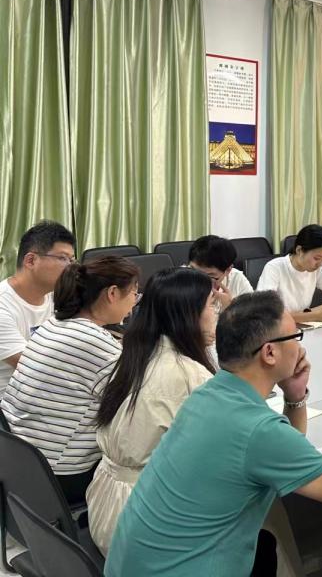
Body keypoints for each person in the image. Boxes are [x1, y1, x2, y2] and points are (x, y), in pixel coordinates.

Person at [104, 291, 322, 577]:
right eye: (295, 336)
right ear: (269, 353)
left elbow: (286, 452)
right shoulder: (256, 429)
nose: (300, 346)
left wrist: (294, 397)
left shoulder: (208, 395)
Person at [86, 268, 218, 553]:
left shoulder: (132, 355)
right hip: (145, 524)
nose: (216, 313)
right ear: (189, 314)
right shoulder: (191, 374)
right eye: (211, 304)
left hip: (106, 508)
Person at [1, 257, 138, 505]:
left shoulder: (55, 324)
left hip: (20, 462)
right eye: (133, 293)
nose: (135, 301)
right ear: (112, 293)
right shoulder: (96, 343)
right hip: (61, 473)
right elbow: (135, 402)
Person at [0, 221, 76, 395]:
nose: (71, 267)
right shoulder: (3, 305)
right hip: (10, 403)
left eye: (72, 260)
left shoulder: (55, 297)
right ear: (31, 260)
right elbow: (36, 366)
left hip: (44, 395)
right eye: (62, 258)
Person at [257, 224, 322, 322]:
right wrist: (314, 315)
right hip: (277, 328)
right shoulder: (274, 268)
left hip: (303, 325)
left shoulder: (319, 268)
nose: (321, 264)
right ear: (299, 250)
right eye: (317, 258)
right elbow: (267, 313)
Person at [188, 235, 253, 307]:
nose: (198, 280)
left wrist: (229, 307)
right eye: (193, 271)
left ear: (228, 270)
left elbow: (253, 311)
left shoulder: (237, 279)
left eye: (209, 276)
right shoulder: (181, 280)